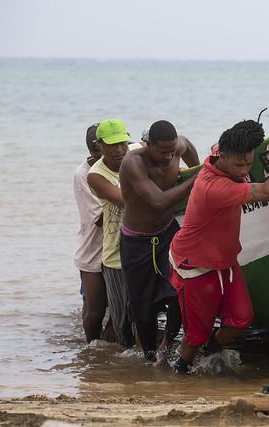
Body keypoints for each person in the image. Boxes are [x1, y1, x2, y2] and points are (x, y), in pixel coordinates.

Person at [169, 120, 269, 374]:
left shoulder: (224, 150)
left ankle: (211, 350)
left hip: (225, 261)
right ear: (222, 156)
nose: (244, 170)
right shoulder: (215, 187)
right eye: (239, 165)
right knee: (194, 337)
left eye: (249, 164)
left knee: (241, 318)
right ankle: (181, 370)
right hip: (195, 266)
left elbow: (243, 135)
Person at [119, 120, 200, 363]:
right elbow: (159, 201)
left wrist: (196, 170)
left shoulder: (180, 145)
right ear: (148, 144)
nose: (168, 157)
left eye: (171, 151)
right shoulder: (133, 163)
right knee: (142, 308)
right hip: (136, 241)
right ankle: (149, 357)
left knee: (179, 292)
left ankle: (168, 344)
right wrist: (193, 182)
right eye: (162, 151)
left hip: (168, 233)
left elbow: (191, 155)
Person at [87, 119, 135, 348]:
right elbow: (126, 200)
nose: (119, 150)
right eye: (112, 145)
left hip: (144, 247)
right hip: (116, 254)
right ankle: (124, 366)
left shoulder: (137, 153)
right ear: (99, 146)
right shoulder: (96, 175)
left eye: (122, 143)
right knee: (122, 317)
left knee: (145, 309)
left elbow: (180, 144)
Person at [74, 123, 114, 343]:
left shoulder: (120, 164)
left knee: (120, 310)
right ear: (96, 150)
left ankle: (106, 347)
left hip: (116, 248)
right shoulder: (84, 174)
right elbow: (99, 218)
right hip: (93, 250)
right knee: (95, 310)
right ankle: (91, 349)